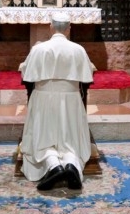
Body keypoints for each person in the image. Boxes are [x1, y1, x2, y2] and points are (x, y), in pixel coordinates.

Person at [19, 12, 95, 191]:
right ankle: (71, 165)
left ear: (50, 27)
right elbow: (87, 76)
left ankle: (53, 165)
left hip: (44, 99)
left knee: (43, 134)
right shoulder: (78, 50)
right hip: (71, 100)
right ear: (69, 29)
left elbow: (26, 74)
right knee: (69, 136)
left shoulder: (39, 49)